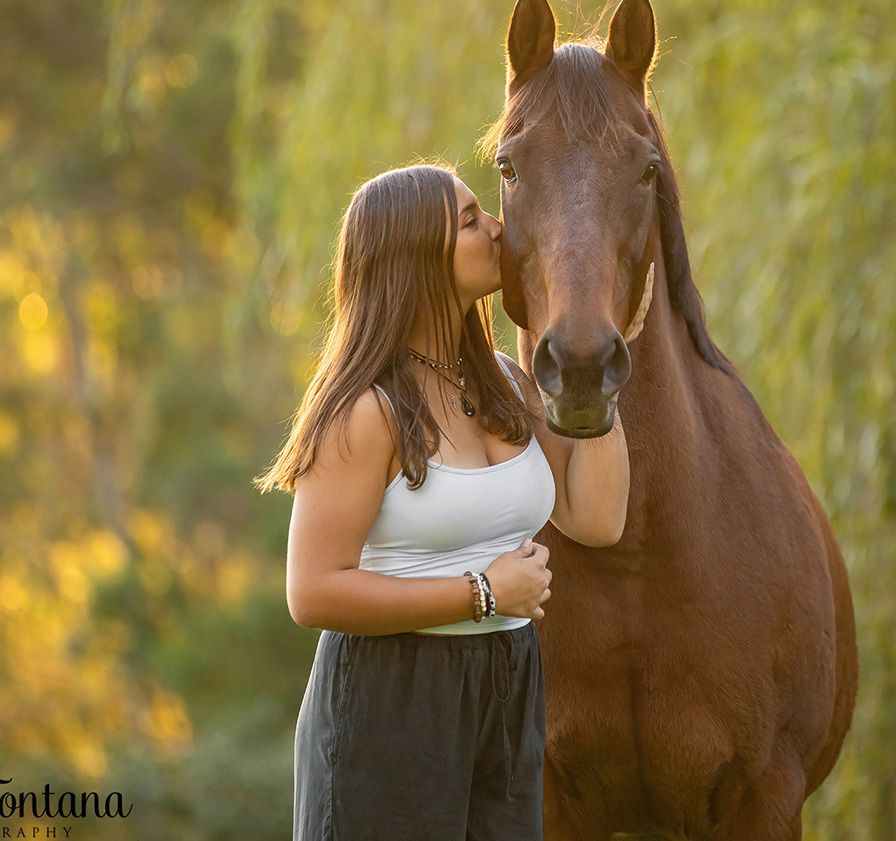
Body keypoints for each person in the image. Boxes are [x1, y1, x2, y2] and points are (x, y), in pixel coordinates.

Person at [254, 163, 631, 840]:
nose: (499, 228)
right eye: (469, 220)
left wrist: (599, 353)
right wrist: (482, 593)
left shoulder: (507, 385)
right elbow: (311, 592)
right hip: (392, 696)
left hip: (508, 686)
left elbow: (597, 519)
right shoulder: (363, 411)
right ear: (414, 257)